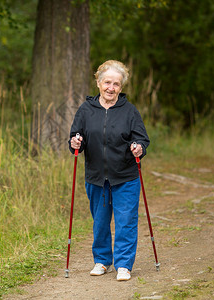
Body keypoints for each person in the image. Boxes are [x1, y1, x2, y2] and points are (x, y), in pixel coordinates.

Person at [68, 60, 150, 281]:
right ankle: (102, 261)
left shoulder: (130, 111)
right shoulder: (86, 110)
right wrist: (75, 143)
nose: (111, 88)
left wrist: (138, 147)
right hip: (96, 176)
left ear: (121, 88)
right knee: (100, 221)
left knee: (126, 220)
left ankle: (124, 264)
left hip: (125, 176)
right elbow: (76, 137)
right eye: (107, 82)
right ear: (98, 82)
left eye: (116, 84)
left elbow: (142, 138)